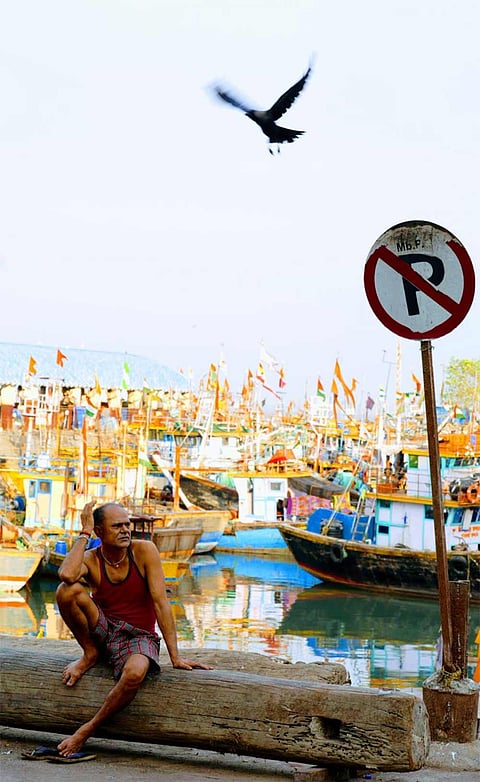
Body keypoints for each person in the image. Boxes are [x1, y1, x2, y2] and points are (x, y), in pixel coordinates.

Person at [55, 500, 212, 758]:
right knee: (66, 591)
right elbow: (66, 575)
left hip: (139, 637)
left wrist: (175, 656)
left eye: (127, 524)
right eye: (117, 526)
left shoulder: (144, 551)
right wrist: (83, 533)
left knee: (136, 672)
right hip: (105, 629)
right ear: (100, 532)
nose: (126, 530)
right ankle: (90, 654)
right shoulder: (92, 559)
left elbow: (161, 603)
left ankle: (86, 730)